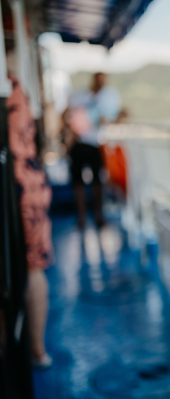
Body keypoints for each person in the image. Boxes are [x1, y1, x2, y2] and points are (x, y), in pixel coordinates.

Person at [6, 69, 53, 369]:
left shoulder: (8, 88)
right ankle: (36, 350)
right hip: (30, 186)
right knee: (34, 269)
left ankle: (35, 349)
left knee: (33, 269)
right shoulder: (12, 84)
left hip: (21, 190)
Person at [65, 72, 121, 228]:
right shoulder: (80, 97)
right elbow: (67, 114)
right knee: (78, 182)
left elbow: (112, 118)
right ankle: (82, 216)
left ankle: (98, 214)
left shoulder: (105, 101)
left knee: (98, 181)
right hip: (79, 143)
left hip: (96, 144)